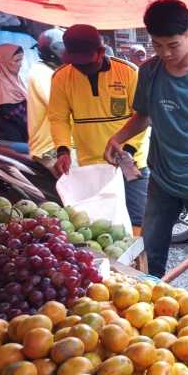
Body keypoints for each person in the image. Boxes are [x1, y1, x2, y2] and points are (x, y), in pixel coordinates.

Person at [104, 0, 188, 307]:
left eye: (172, 45)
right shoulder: (149, 72)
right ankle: (148, 313)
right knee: (150, 254)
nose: (164, 53)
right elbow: (144, 115)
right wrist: (118, 137)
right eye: (157, 45)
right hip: (161, 181)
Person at [47, 24, 149, 228]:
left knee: (137, 219)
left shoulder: (129, 73)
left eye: (86, 64)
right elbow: (58, 118)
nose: (81, 69)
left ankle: (139, 260)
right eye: (76, 64)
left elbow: (142, 116)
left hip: (130, 160)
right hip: (92, 166)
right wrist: (63, 150)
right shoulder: (61, 77)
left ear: (101, 52)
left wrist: (127, 151)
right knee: (101, 224)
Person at [26, 29, 65, 170]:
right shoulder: (41, 72)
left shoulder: (55, 71)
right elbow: (60, 105)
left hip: (61, 144)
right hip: (50, 148)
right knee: (81, 187)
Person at [0, 44, 29, 142]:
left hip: (23, 134)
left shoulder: (15, 79)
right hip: (10, 137)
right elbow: (4, 114)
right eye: (17, 60)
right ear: (3, 62)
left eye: (21, 59)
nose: (20, 64)